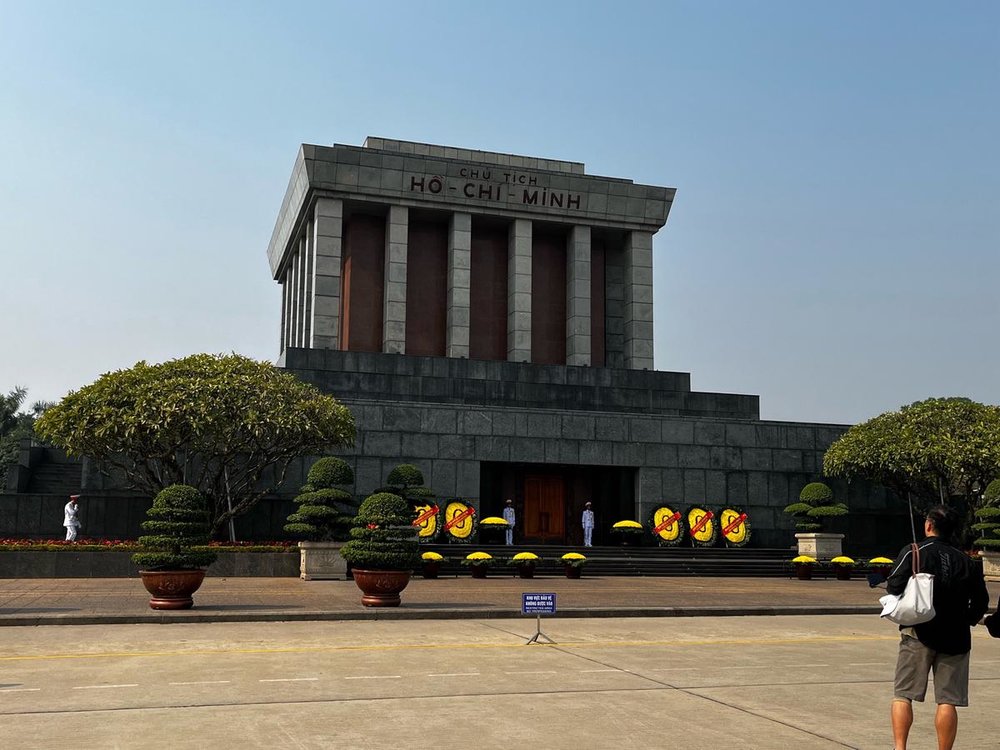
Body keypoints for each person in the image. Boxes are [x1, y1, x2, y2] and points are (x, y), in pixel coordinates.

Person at [886, 504, 989, 750]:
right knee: (948, 701)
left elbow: (893, 586)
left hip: (918, 634)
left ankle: (900, 747)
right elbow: (981, 602)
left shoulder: (915, 551)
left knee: (903, 694)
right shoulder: (968, 561)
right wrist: (967, 619)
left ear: (929, 526)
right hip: (956, 637)